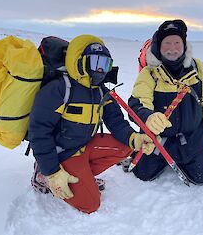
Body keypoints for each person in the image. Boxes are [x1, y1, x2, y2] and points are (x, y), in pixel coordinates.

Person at [28, 34, 155, 213]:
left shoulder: (101, 91)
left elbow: (116, 121)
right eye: (95, 63)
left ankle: (82, 176)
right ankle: (42, 175)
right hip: (62, 154)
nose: (100, 71)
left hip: (83, 146)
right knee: (90, 205)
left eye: (105, 65)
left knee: (125, 147)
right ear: (81, 62)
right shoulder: (59, 89)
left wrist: (134, 138)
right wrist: (52, 171)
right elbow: (39, 132)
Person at [128, 19, 203, 185]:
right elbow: (138, 103)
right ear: (159, 47)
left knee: (202, 179)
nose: (172, 48)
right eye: (167, 43)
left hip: (192, 138)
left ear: (184, 45)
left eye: (177, 43)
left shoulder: (199, 69)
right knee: (142, 174)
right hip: (160, 141)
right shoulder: (149, 74)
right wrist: (148, 117)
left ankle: (189, 158)